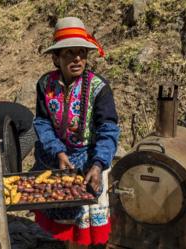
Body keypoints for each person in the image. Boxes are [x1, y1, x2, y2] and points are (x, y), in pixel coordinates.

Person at [32, 17, 120, 248]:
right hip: (54, 159)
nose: (77, 58)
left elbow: (108, 129)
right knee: (62, 222)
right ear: (56, 58)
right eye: (69, 53)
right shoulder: (45, 85)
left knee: (85, 226)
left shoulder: (98, 88)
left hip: (88, 161)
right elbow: (42, 122)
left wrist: (99, 164)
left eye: (81, 52)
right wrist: (59, 153)